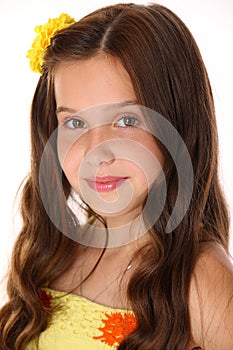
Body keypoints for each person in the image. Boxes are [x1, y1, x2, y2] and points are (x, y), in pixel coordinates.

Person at [0, 3, 233, 350]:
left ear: (178, 125)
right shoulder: (51, 255)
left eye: (127, 121)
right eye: (75, 123)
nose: (97, 152)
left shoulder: (198, 280)